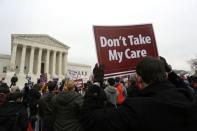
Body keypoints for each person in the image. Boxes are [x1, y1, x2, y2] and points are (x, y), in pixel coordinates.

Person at [80, 56, 197, 131]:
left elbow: (90, 120)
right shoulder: (187, 97)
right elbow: (182, 86)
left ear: (139, 80)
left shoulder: (136, 109)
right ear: (166, 75)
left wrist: (96, 83)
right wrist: (170, 72)